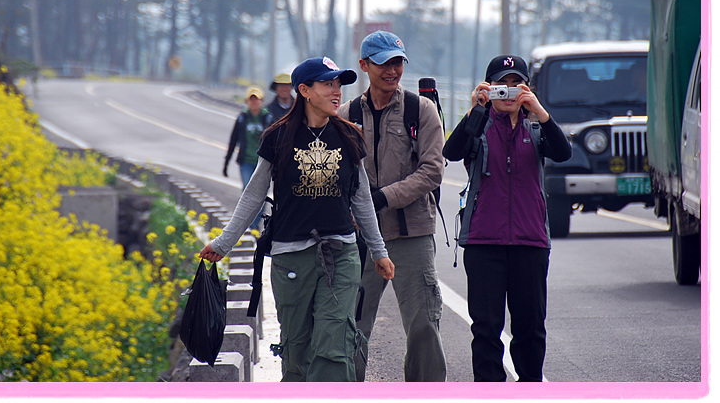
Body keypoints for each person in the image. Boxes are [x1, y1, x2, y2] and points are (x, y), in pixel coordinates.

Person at [201, 56, 395, 382]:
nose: (336, 92)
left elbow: (361, 198)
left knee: (334, 344)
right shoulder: (277, 137)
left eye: (339, 84)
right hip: (291, 259)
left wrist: (379, 250)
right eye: (327, 84)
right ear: (304, 90)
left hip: (341, 254)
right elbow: (253, 195)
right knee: (296, 353)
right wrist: (224, 243)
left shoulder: (350, 137)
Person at [442, 54, 572, 382]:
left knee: (530, 330)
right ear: (488, 88)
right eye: (502, 86)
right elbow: (452, 152)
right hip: (484, 243)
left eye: (517, 86)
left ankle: (529, 388)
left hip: (530, 242)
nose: (509, 93)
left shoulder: (537, 129)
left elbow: (563, 152)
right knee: (486, 330)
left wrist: (540, 112)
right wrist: (476, 109)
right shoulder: (479, 126)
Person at [337, 30, 447, 382]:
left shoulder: (422, 110)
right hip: (360, 242)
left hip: (411, 235)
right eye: (383, 63)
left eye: (398, 62)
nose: (392, 70)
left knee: (424, 327)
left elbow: (432, 171)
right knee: (350, 327)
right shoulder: (345, 115)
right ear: (364, 65)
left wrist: (382, 198)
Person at [224, 86, 274, 229]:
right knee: (248, 192)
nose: (254, 103)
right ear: (247, 101)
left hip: (263, 163)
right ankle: (249, 225)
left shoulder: (267, 118)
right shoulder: (242, 118)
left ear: (261, 101)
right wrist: (226, 164)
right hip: (246, 162)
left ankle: (255, 224)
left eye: (256, 100)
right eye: (251, 100)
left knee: (262, 194)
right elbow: (233, 140)